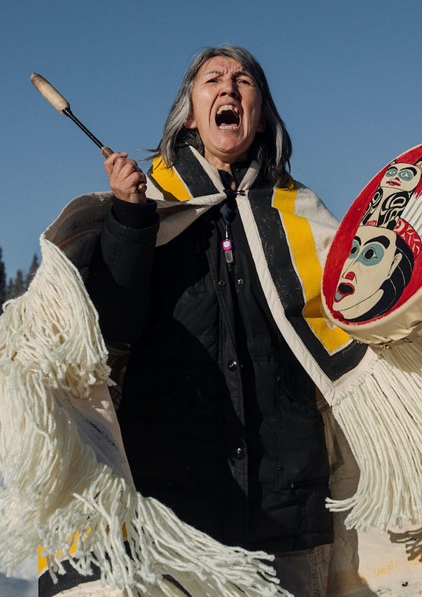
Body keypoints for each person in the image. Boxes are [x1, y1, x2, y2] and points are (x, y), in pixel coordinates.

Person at [78, 45, 339, 597]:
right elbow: (109, 329)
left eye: (244, 81)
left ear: (261, 112)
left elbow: (355, 324)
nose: (228, 88)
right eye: (212, 80)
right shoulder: (149, 201)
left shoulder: (300, 211)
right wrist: (127, 218)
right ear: (190, 112)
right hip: (177, 499)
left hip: (284, 502)